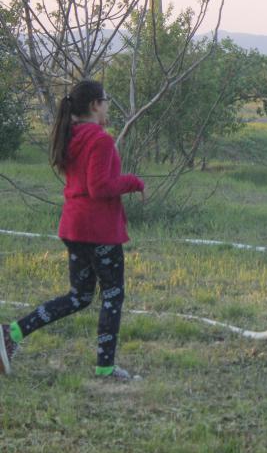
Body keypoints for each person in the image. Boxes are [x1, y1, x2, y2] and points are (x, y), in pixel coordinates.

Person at [1, 80, 145, 380]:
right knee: (112, 296)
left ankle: (11, 333)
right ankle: (105, 368)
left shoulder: (70, 134)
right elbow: (99, 187)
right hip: (98, 231)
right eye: (106, 100)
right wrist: (133, 181)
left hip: (74, 228)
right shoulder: (100, 139)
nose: (108, 106)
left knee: (80, 296)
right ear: (95, 105)